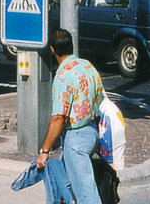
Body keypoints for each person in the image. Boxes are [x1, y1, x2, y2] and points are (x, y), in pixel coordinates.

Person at [36, 29, 105, 204]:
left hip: (75, 140)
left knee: (86, 195)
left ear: (52, 50)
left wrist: (44, 151)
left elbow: (59, 118)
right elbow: (100, 97)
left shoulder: (63, 76)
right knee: (66, 189)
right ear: (72, 45)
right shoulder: (87, 66)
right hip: (91, 130)